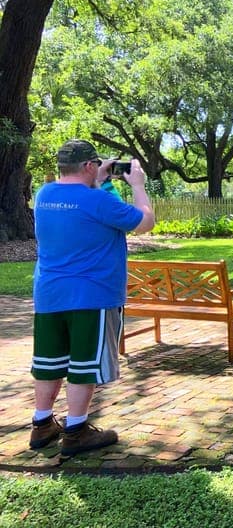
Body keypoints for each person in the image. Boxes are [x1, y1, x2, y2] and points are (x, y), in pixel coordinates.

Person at [30, 139, 155, 456]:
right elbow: (145, 223)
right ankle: (76, 430)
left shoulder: (44, 196)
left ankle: (42, 424)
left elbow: (79, 206)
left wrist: (97, 182)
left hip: (48, 294)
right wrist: (138, 185)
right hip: (91, 296)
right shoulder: (98, 202)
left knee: (49, 362)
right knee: (83, 366)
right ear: (88, 166)